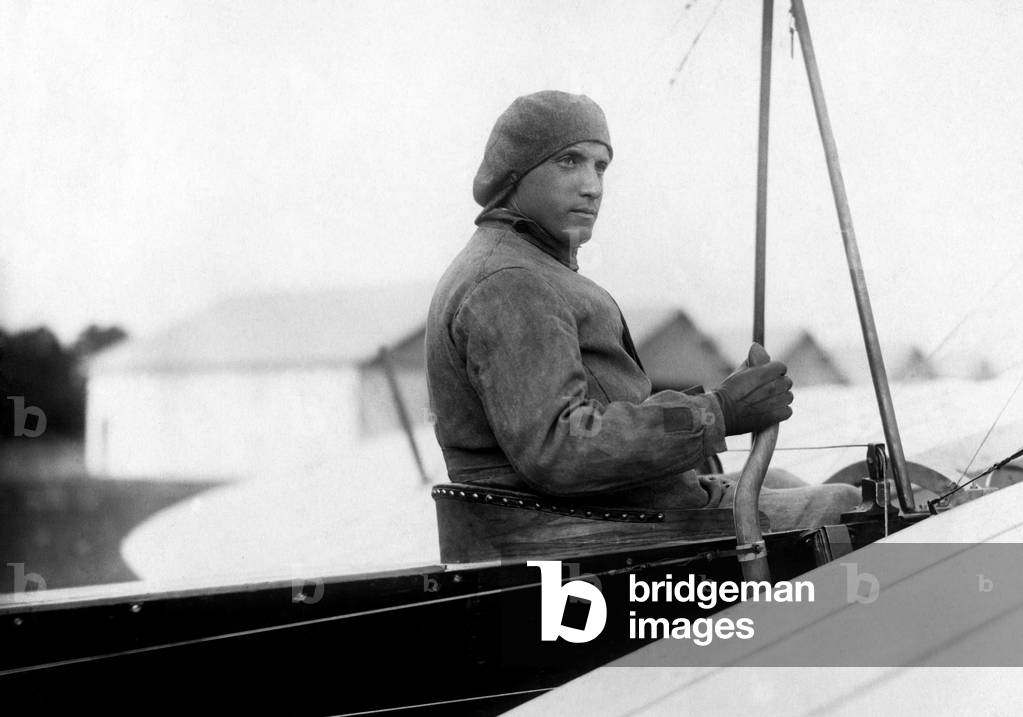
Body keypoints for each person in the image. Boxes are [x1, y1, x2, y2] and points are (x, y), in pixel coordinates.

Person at [425, 90, 859, 531]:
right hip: (590, 531)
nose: (592, 186)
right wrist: (718, 413)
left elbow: (600, 411)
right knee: (850, 508)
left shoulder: (527, 267)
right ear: (513, 174)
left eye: (600, 166)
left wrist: (719, 403)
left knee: (782, 478)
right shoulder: (510, 282)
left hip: (612, 509)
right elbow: (560, 447)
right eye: (568, 161)